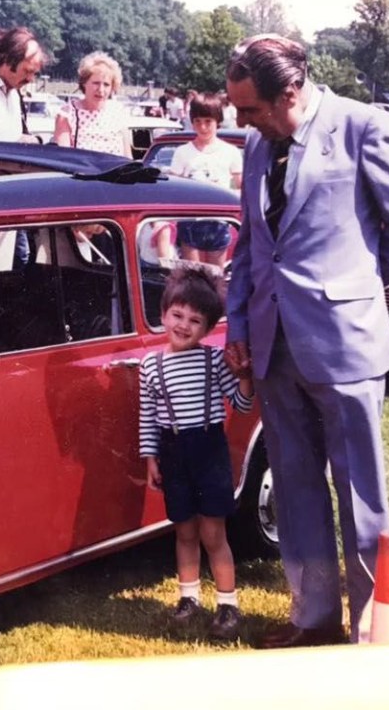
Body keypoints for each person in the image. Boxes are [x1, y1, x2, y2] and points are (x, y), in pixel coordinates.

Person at [223, 34, 389, 648]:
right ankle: (312, 621)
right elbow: (251, 244)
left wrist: (357, 278)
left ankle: (371, 625)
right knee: (295, 489)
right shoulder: (261, 144)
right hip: (274, 345)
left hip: (345, 343)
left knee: (361, 492)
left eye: (250, 109)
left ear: (290, 92)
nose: (242, 122)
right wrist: (238, 323)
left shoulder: (362, 126)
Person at [139, 266, 254, 641]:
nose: (184, 325)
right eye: (177, 315)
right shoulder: (150, 366)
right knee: (184, 530)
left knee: (212, 533)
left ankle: (227, 604)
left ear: (207, 329)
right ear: (163, 314)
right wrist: (152, 458)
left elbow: (239, 401)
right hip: (173, 453)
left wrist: (244, 375)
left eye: (195, 320)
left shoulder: (212, 360)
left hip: (208, 450)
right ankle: (189, 598)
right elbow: (148, 417)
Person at [169, 92, 243, 266]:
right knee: (193, 277)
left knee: (215, 278)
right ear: (192, 122)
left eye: (208, 121)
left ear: (218, 121)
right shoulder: (182, 152)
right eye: (197, 122)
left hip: (219, 223)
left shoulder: (230, 152)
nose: (203, 127)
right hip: (190, 223)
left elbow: (241, 187)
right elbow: (174, 190)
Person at [52, 51, 131, 156]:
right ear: (84, 83)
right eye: (96, 83)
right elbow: (62, 158)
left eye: (106, 85)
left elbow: (127, 158)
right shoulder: (67, 114)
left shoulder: (118, 113)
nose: (101, 90)